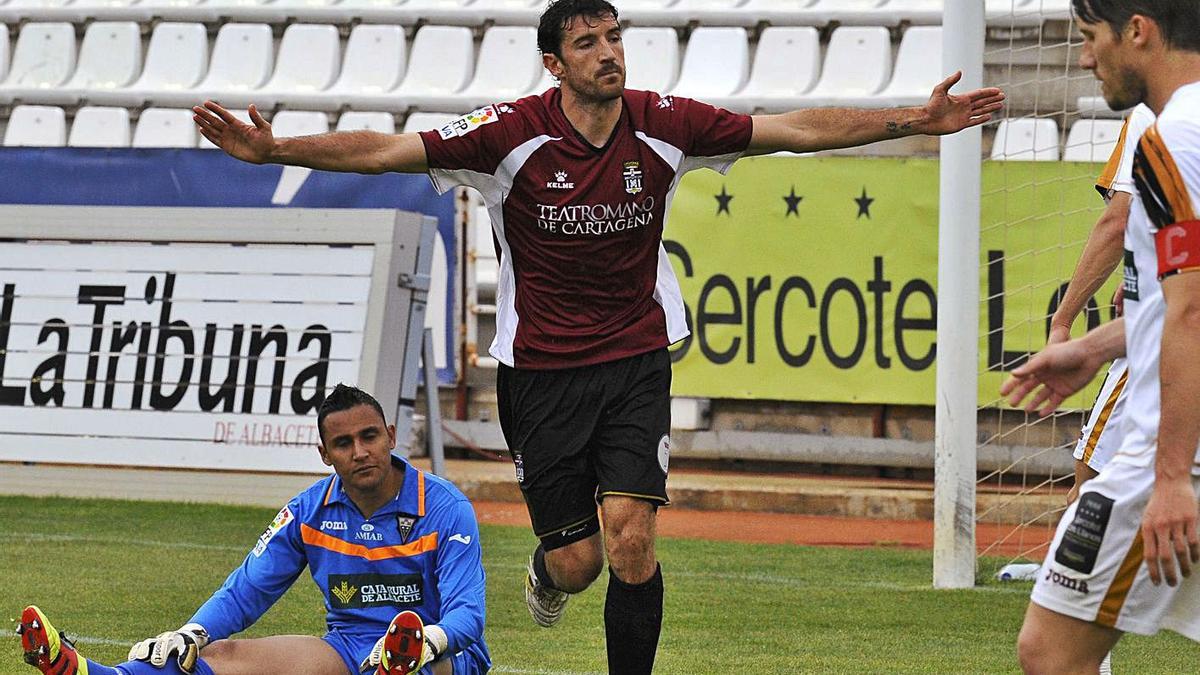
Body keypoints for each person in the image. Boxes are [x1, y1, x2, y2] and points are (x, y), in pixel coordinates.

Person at [189, 1, 1004, 670]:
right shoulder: (507, 134)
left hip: (635, 361)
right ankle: (546, 573)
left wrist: (912, 119)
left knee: (632, 541)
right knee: (577, 562)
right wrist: (273, 150)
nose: (610, 53)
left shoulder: (664, 123)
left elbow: (790, 128)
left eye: (615, 37)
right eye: (588, 42)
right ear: (555, 62)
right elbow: (383, 149)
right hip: (540, 373)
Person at [18, 384, 490, 675]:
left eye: (369, 436)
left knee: (411, 665)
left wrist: (428, 641)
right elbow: (247, 590)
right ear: (325, 454)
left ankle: (402, 662)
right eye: (343, 443)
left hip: (440, 655)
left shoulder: (446, 508)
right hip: (348, 648)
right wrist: (193, 631)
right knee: (213, 657)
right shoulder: (308, 510)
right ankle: (89, 671)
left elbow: (468, 616)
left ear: (390, 434)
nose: (360, 451)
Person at [1003, 1, 1200, 672]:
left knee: (1051, 651)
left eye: (1091, 38)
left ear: (1138, 30)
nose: (1085, 57)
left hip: (1170, 458)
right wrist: (1093, 346)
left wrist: (1172, 476)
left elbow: (1191, 308)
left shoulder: (1172, 140)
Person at [1052, 101, 1155, 508]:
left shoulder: (1153, 113)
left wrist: (1063, 320)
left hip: (1167, 326)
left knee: (1091, 486)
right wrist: (1141, 267)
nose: (1086, 60)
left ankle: (1069, 573)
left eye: (1093, 37)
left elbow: (1119, 219)